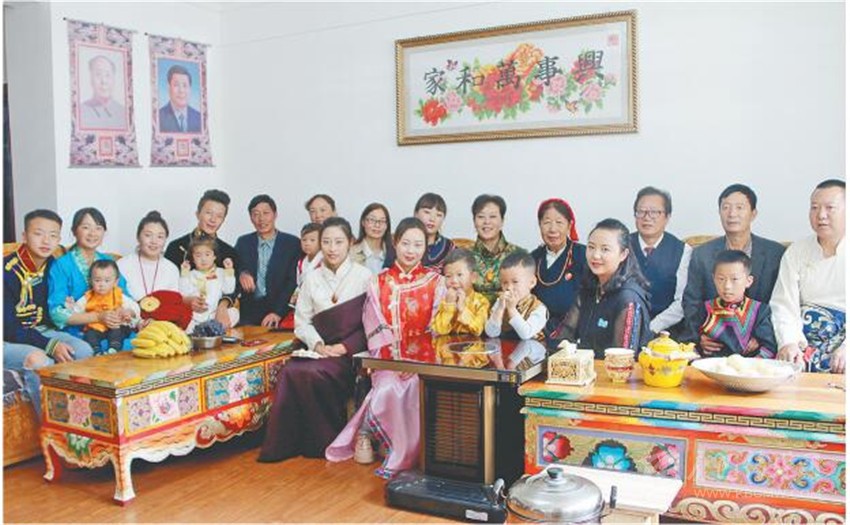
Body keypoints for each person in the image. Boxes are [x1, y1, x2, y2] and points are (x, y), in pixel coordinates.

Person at [326, 218, 445, 479]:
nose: (411, 250)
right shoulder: (378, 282)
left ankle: (404, 448)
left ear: (425, 247)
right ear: (395, 243)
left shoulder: (436, 282)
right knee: (388, 386)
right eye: (406, 243)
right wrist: (394, 363)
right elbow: (374, 327)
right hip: (388, 360)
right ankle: (372, 436)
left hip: (426, 361)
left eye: (418, 245)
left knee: (416, 386)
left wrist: (416, 364)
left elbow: (438, 330)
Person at [259, 217, 372, 462]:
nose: (332, 248)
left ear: (350, 243)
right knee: (291, 371)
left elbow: (371, 324)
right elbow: (302, 322)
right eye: (327, 242)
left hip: (349, 353)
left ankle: (323, 441)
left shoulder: (364, 276)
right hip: (318, 348)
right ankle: (288, 444)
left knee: (314, 373)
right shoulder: (312, 277)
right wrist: (318, 345)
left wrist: (343, 347)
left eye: (338, 242)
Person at [4, 210, 94, 413]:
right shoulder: (6, 271)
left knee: (83, 350)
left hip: (41, 330)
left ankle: (79, 423)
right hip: (7, 338)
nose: (46, 241)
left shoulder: (54, 266)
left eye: (53, 235)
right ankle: (50, 428)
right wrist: (50, 345)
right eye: (38, 234)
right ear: (24, 236)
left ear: (59, 239)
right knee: (38, 359)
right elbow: (8, 328)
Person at [683, 184, 786, 328]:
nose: (732, 214)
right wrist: (702, 333)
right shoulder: (702, 254)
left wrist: (762, 336)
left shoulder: (775, 254)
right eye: (725, 207)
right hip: (713, 334)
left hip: (762, 335)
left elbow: (781, 304)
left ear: (753, 213)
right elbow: (691, 303)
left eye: (739, 207)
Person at [772, 179, 846, 373]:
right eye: (814, 208)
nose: (821, 215)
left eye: (830, 208)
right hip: (804, 342)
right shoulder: (797, 251)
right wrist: (788, 342)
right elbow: (783, 304)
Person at [551, 219, 652, 358]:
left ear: (623, 254)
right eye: (591, 247)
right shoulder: (589, 288)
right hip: (585, 367)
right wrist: (563, 346)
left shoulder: (628, 298)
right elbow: (564, 334)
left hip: (612, 370)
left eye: (605, 249)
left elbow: (622, 359)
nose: (595, 255)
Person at [48, 207, 131, 342]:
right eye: (86, 227)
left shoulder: (108, 261)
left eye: (98, 228)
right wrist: (97, 317)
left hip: (114, 328)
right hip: (78, 332)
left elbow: (125, 297)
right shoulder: (61, 265)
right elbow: (57, 313)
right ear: (74, 231)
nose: (93, 233)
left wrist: (125, 313)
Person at [164, 189, 240, 329]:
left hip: (214, 311)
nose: (213, 220)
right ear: (198, 213)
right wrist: (187, 301)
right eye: (208, 213)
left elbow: (233, 287)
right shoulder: (176, 247)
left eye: (219, 216)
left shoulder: (228, 252)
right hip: (185, 311)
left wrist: (222, 306)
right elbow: (168, 286)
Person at [682, 250, 776, 358]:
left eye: (734, 279)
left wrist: (754, 362)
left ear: (748, 281)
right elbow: (687, 341)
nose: (727, 286)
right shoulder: (705, 309)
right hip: (710, 365)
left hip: (747, 366)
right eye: (721, 279)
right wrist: (699, 342)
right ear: (713, 279)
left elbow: (770, 347)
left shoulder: (760, 310)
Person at [629, 187, 692, 336]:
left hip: (666, 332)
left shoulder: (683, 251)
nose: (647, 217)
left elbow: (682, 302)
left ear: (667, 217)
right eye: (641, 211)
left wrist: (651, 328)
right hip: (624, 327)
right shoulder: (621, 245)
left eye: (655, 212)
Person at [235, 195, 300, 327]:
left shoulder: (292, 243)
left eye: (266, 213)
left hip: (281, 311)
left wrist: (278, 312)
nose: (261, 219)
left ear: (275, 215)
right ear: (251, 218)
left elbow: (292, 281)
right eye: (256, 214)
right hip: (249, 312)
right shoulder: (243, 242)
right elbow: (233, 266)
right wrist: (242, 273)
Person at [117, 211, 189, 329]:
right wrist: (138, 322)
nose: (154, 241)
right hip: (128, 326)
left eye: (160, 237)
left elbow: (173, 305)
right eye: (148, 235)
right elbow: (116, 302)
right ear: (138, 237)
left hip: (162, 327)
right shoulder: (122, 265)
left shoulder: (171, 269)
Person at [531, 198, 586, 337]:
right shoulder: (533, 258)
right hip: (537, 331)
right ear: (539, 224)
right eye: (547, 222)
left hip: (573, 332)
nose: (552, 229)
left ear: (569, 225)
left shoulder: (583, 255)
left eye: (559, 222)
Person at [73, 260, 141, 354]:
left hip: (116, 326)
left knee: (118, 332)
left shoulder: (119, 295)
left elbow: (135, 307)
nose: (102, 285)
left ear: (115, 282)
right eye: (97, 280)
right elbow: (75, 312)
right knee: (89, 334)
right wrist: (70, 306)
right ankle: (96, 350)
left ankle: (114, 348)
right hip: (97, 328)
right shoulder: (87, 298)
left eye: (107, 281)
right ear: (91, 281)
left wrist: (129, 312)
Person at [178, 238, 239, 332]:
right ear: (193, 259)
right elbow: (184, 292)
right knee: (184, 322)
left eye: (207, 254)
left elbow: (229, 290)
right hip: (195, 316)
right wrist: (184, 274)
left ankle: (213, 329)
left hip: (215, 314)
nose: (203, 259)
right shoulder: (190, 274)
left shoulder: (221, 272)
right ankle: (200, 332)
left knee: (234, 312)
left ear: (214, 256)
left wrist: (229, 271)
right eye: (198, 255)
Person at [485, 251, 548, 340]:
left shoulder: (538, 308)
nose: (509, 288)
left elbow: (526, 334)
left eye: (515, 282)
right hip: (505, 346)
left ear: (532, 282)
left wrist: (511, 309)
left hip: (532, 347)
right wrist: (499, 309)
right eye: (504, 283)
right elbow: (491, 333)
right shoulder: (501, 302)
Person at [470, 194, 520, 304]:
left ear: (502, 221)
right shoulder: (464, 256)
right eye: (481, 217)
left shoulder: (518, 255)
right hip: (470, 313)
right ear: (474, 221)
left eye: (492, 216)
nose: (486, 222)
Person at [430, 248, 489, 336]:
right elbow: (438, 331)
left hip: (474, 343)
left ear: (473, 277)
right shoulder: (445, 301)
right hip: (447, 344)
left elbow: (478, 330)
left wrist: (462, 309)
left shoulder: (481, 302)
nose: (454, 281)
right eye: (448, 276)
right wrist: (449, 306)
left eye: (459, 275)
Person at [79, 55, 127, 130]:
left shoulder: (123, 112)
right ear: (90, 79)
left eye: (107, 75)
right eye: (98, 74)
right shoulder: (81, 111)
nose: (104, 81)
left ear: (114, 79)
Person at [414, 192, 455, 270]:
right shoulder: (402, 244)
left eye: (439, 215)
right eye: (427, 212)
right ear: (416, 214)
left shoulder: (449, 248)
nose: (432, 219)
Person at [351, 203, 396, 274]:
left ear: (387, 225)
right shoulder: (351, 253)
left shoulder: (394, 252)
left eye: (382, 221)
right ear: (363, 222)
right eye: (372, 220)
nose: (377, 225)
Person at [158, 64, 201, 133]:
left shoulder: (199, 117)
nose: (181, 90)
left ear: (190, 89)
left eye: (185, 85)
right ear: (169, 88)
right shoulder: (159, 117)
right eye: (176, 85)